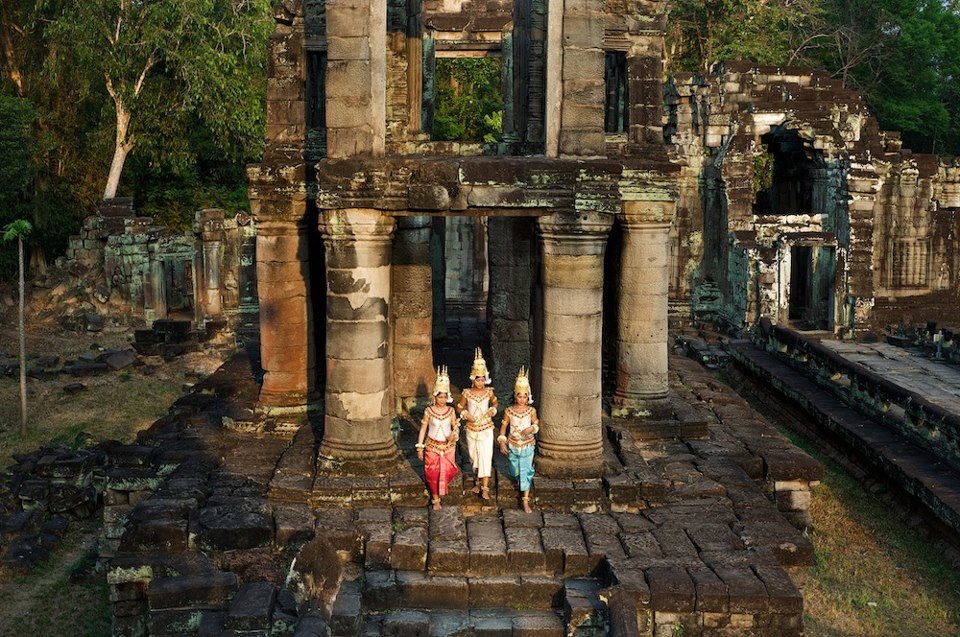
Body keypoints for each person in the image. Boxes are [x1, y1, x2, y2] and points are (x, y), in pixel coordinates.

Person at [456, 348, 497, 500]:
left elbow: (495, 403)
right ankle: (477, 482)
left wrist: (493, 410)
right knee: (474, 457)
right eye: (478, 379)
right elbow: (459, 406)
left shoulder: (489, 391)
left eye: (482, 379)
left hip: (486, 428)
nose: (480, 382)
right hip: (472, 428)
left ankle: (485, 488)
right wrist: (465, 414)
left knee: (486, 456)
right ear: (473, 378)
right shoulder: (466, 392)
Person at [417, 366, 459, 510]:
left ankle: (441, 489)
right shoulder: (428, 411)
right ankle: (435, 499)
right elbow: (423, 429)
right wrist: (420, 447)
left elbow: (455, 427)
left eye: (445, 397)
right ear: (435, 397)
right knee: (432, 473)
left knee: (449, 470)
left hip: (447, 447)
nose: (443, 400)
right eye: (440, 397)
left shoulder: (451, 411)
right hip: (432, 446)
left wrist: (455, 434)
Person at [498, 367, 539, 513]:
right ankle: (519, 481)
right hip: (513, 445)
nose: (522, 399)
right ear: (515, 396)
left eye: (525, 397)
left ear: (528, 397)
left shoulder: (531, 411)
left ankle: (525, 500)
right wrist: (502, 442)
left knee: (526, 471)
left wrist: (531, 429)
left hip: (528, 445)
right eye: (519, 396)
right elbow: (503, 427)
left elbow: (536, 424)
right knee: (515, 470)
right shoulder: (509, 411)